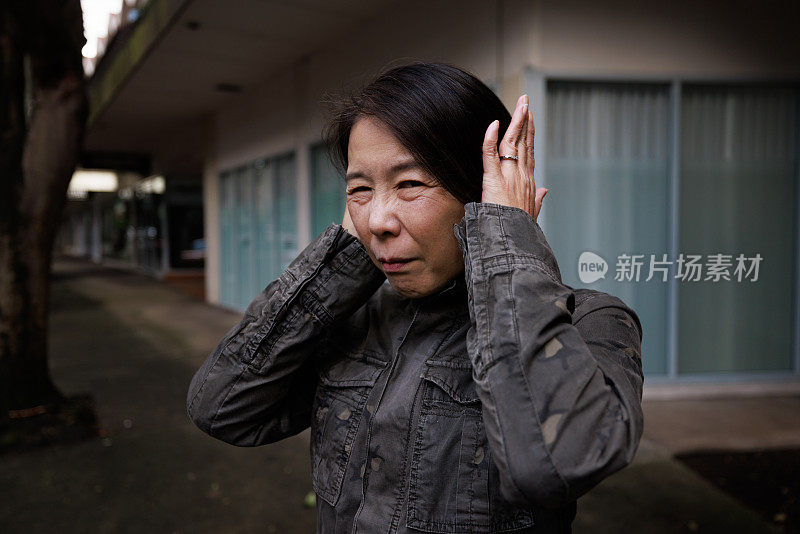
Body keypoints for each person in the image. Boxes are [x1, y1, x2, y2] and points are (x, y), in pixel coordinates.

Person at [186, 62, 644, 533]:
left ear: (484, 191)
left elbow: (559, 463)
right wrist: (344, 263)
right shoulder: (357, 320)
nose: (378, 220)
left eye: (409, 184)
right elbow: (221, 406)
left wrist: (506, 238)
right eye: (359, 190)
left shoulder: (589, 321)